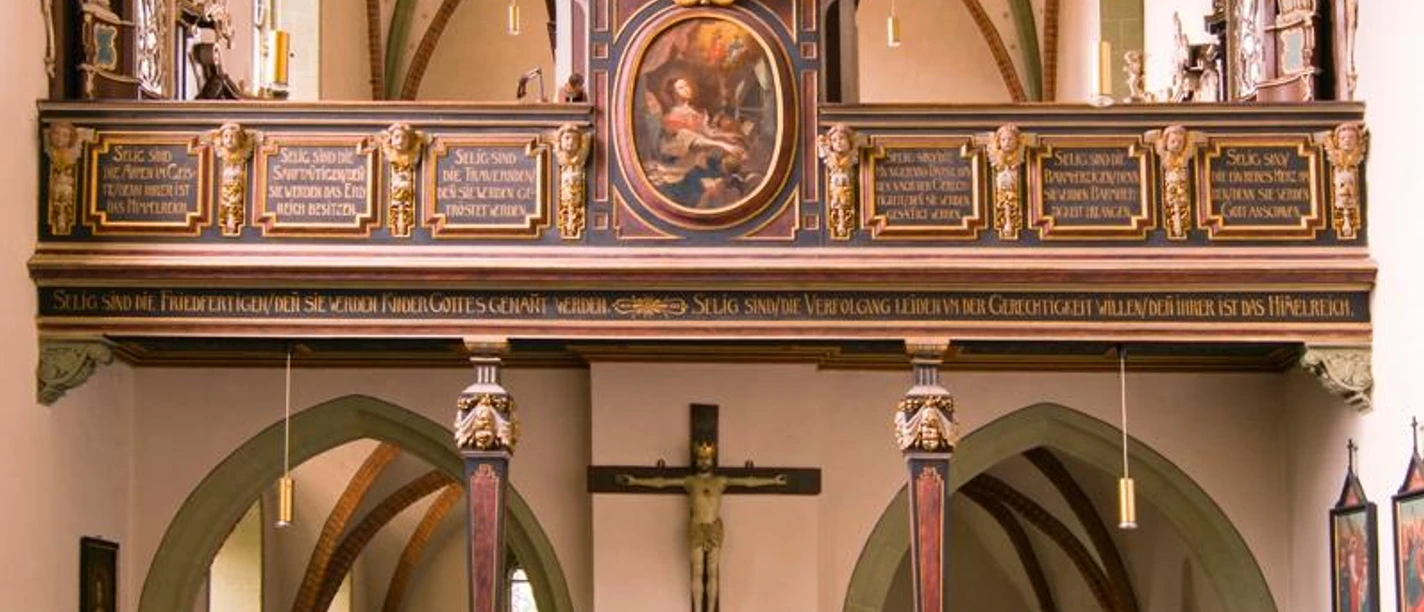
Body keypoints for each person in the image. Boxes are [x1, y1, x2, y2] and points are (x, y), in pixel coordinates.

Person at [616, 441, 786, 612]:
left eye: (707, 458)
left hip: (714, 527)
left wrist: (773, 480)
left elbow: (747, 482)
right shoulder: (690, 481)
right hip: (696, 526)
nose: (704, 461)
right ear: (696, 460)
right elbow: (663, 482)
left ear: (713, 460)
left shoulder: (721, 481)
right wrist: (635, 480)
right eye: (701, 458)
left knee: (713, 571)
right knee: (696, 571)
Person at [643, 77, 749, 209]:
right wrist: (722, 144)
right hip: (683, 162)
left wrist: (725, 136)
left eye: (687, 85)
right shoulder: (671, 117)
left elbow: (708, 133)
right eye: (681, 87)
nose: (687, 89)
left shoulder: (698, 113)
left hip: (703, 159)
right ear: (673, 93)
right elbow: (692, 140)